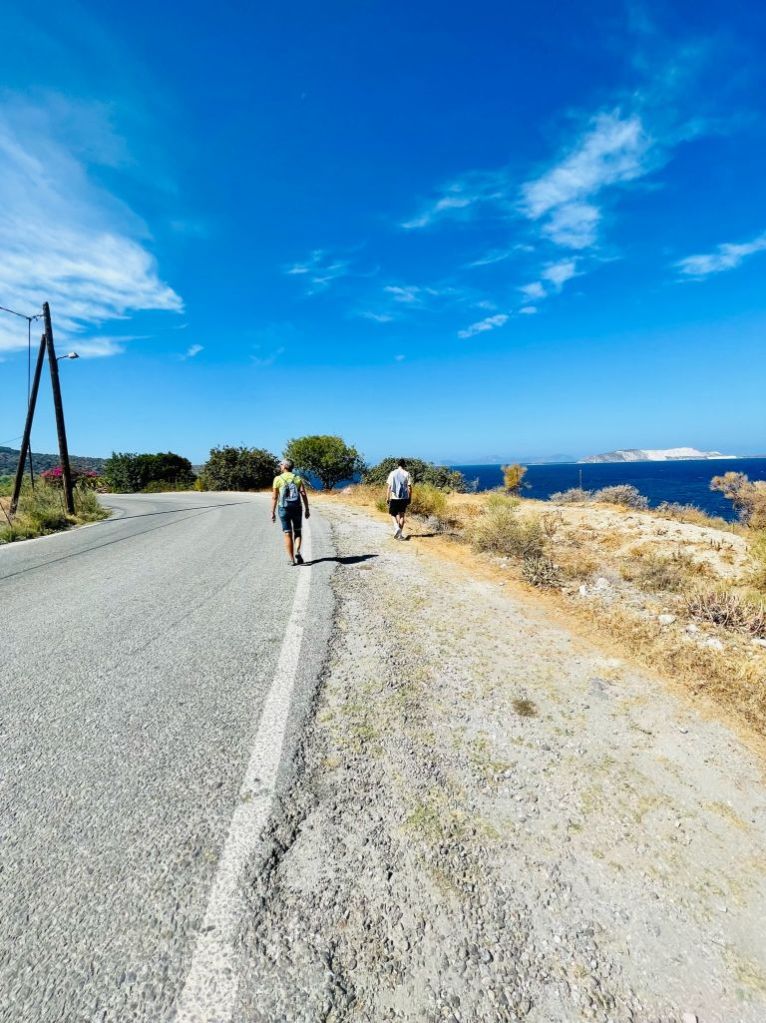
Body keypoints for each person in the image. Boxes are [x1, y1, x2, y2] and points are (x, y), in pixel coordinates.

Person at [271, 459, 310, 565]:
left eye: (281, 464)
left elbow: (274, 497)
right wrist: (307, 509)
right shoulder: (297, 478)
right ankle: (297, 551)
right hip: (297, 508)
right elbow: (303, 494)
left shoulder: (278, 479)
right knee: (297, 531)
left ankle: (292, 560)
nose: (280, 466)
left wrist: (272, 512)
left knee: (287, 533)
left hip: (283, 508)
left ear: (284, 466)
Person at [386, 458, 413, 539]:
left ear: (398, 464)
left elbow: (389, 487)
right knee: (402, 516)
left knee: (393, 514)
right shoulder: (407, 473)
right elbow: (409, 487)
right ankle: (400, 535)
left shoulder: (392, 473)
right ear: (404, 465)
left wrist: (387, 497)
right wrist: (409, 497)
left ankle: (396, 527)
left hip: (394, 497)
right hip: (404, 498)